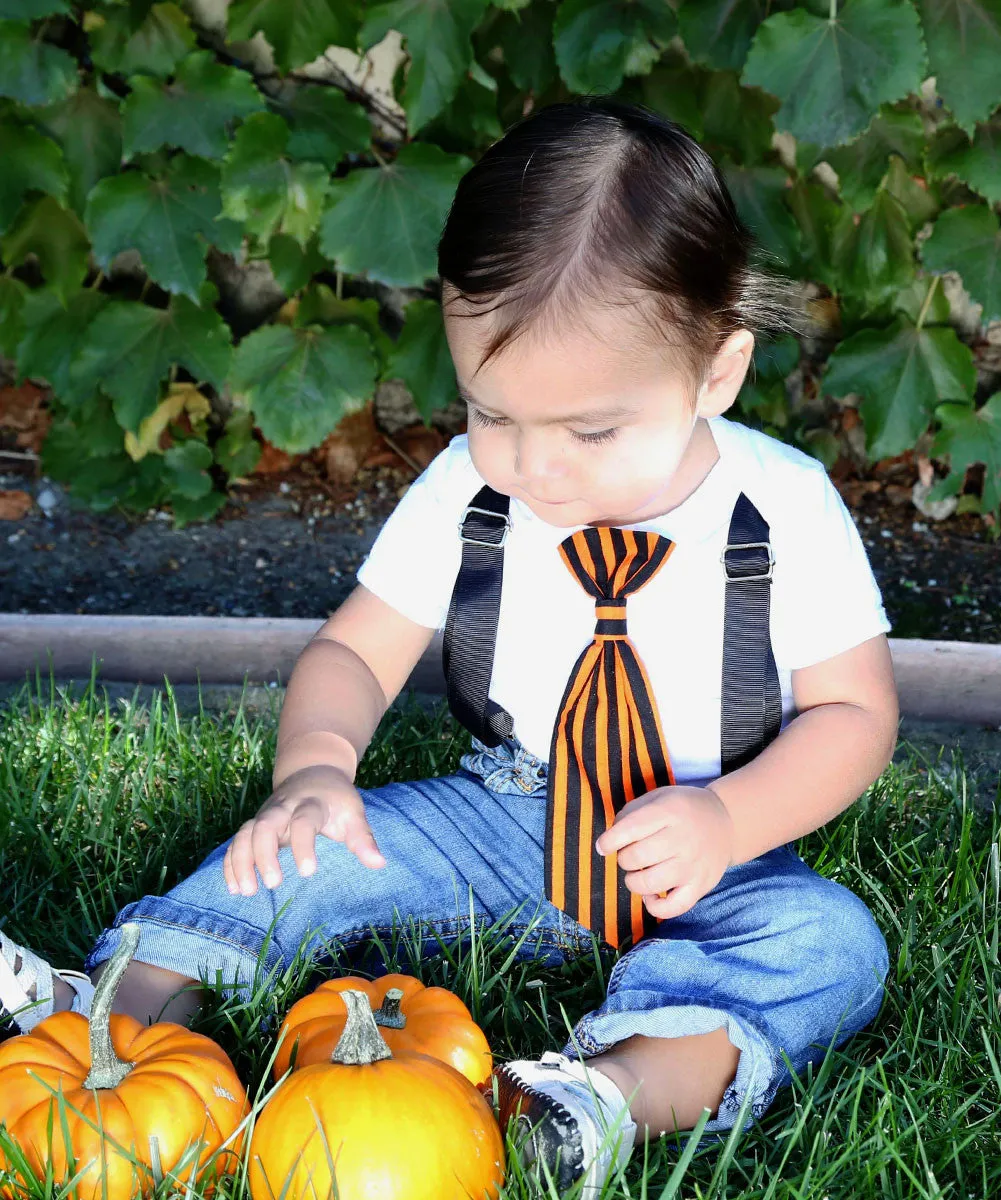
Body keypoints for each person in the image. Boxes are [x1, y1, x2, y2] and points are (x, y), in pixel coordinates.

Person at [0, 96, 898, 1197]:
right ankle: (114, 1016)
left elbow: (853, 718)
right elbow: (356, 653)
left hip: (712, 847)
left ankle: (605, 1097)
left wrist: (730, 818)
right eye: (491, 412)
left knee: (828, 941)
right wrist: (316, 770)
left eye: (590, 431)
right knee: (298, 857)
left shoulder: (784, 509)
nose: (533, 467)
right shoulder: (469, 492)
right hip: (502, 811)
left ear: (715, 373)